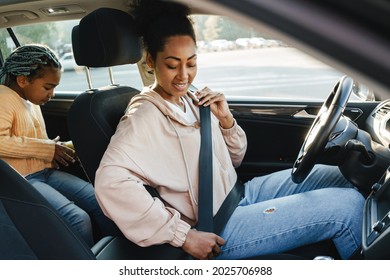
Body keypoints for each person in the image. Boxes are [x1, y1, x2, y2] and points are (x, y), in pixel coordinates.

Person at [95, 1, 364, 260]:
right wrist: (183, 235)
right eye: (172, 64)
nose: (184, 75)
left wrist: (225, 120)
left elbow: (233, 160)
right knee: (347, 207)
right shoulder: (144, 115)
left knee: (342, 175)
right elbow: (110, 181)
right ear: (151, 62)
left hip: (238, 194)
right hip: (218, 225)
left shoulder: (192, 98)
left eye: (191, 62)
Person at [0, 44, 119, 247]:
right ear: (22, 80)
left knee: (102, 200)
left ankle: (119, 250)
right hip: (22, 179)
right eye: (48, 87)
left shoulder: (30, 100)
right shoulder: (3, 98)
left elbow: (33, 140)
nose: (52, 94)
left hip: (44, 172)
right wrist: (47, 149)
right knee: (77, 219)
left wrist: (55, 147)